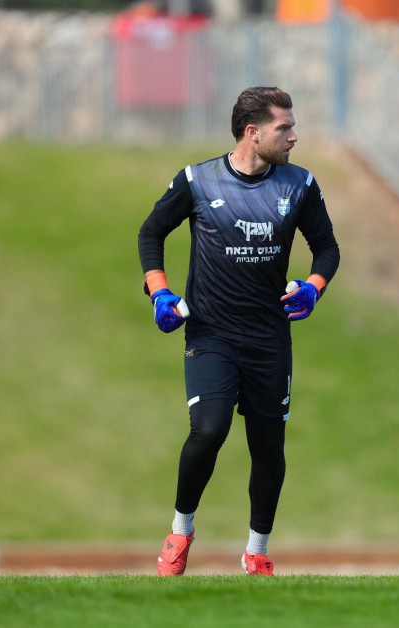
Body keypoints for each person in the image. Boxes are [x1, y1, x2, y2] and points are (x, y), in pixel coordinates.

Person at [137, 86, 340, 576]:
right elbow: (151, 232)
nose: (293, 136)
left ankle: (257, 552)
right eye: (283, 128)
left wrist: (313, 288)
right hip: (212, 335)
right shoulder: (197, 180)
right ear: (253, 132)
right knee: (209, 430)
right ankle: (181, 532)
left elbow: (327, 249)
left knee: (268, 447)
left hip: (269, 340)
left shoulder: (300, 185)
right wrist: (159, 292)